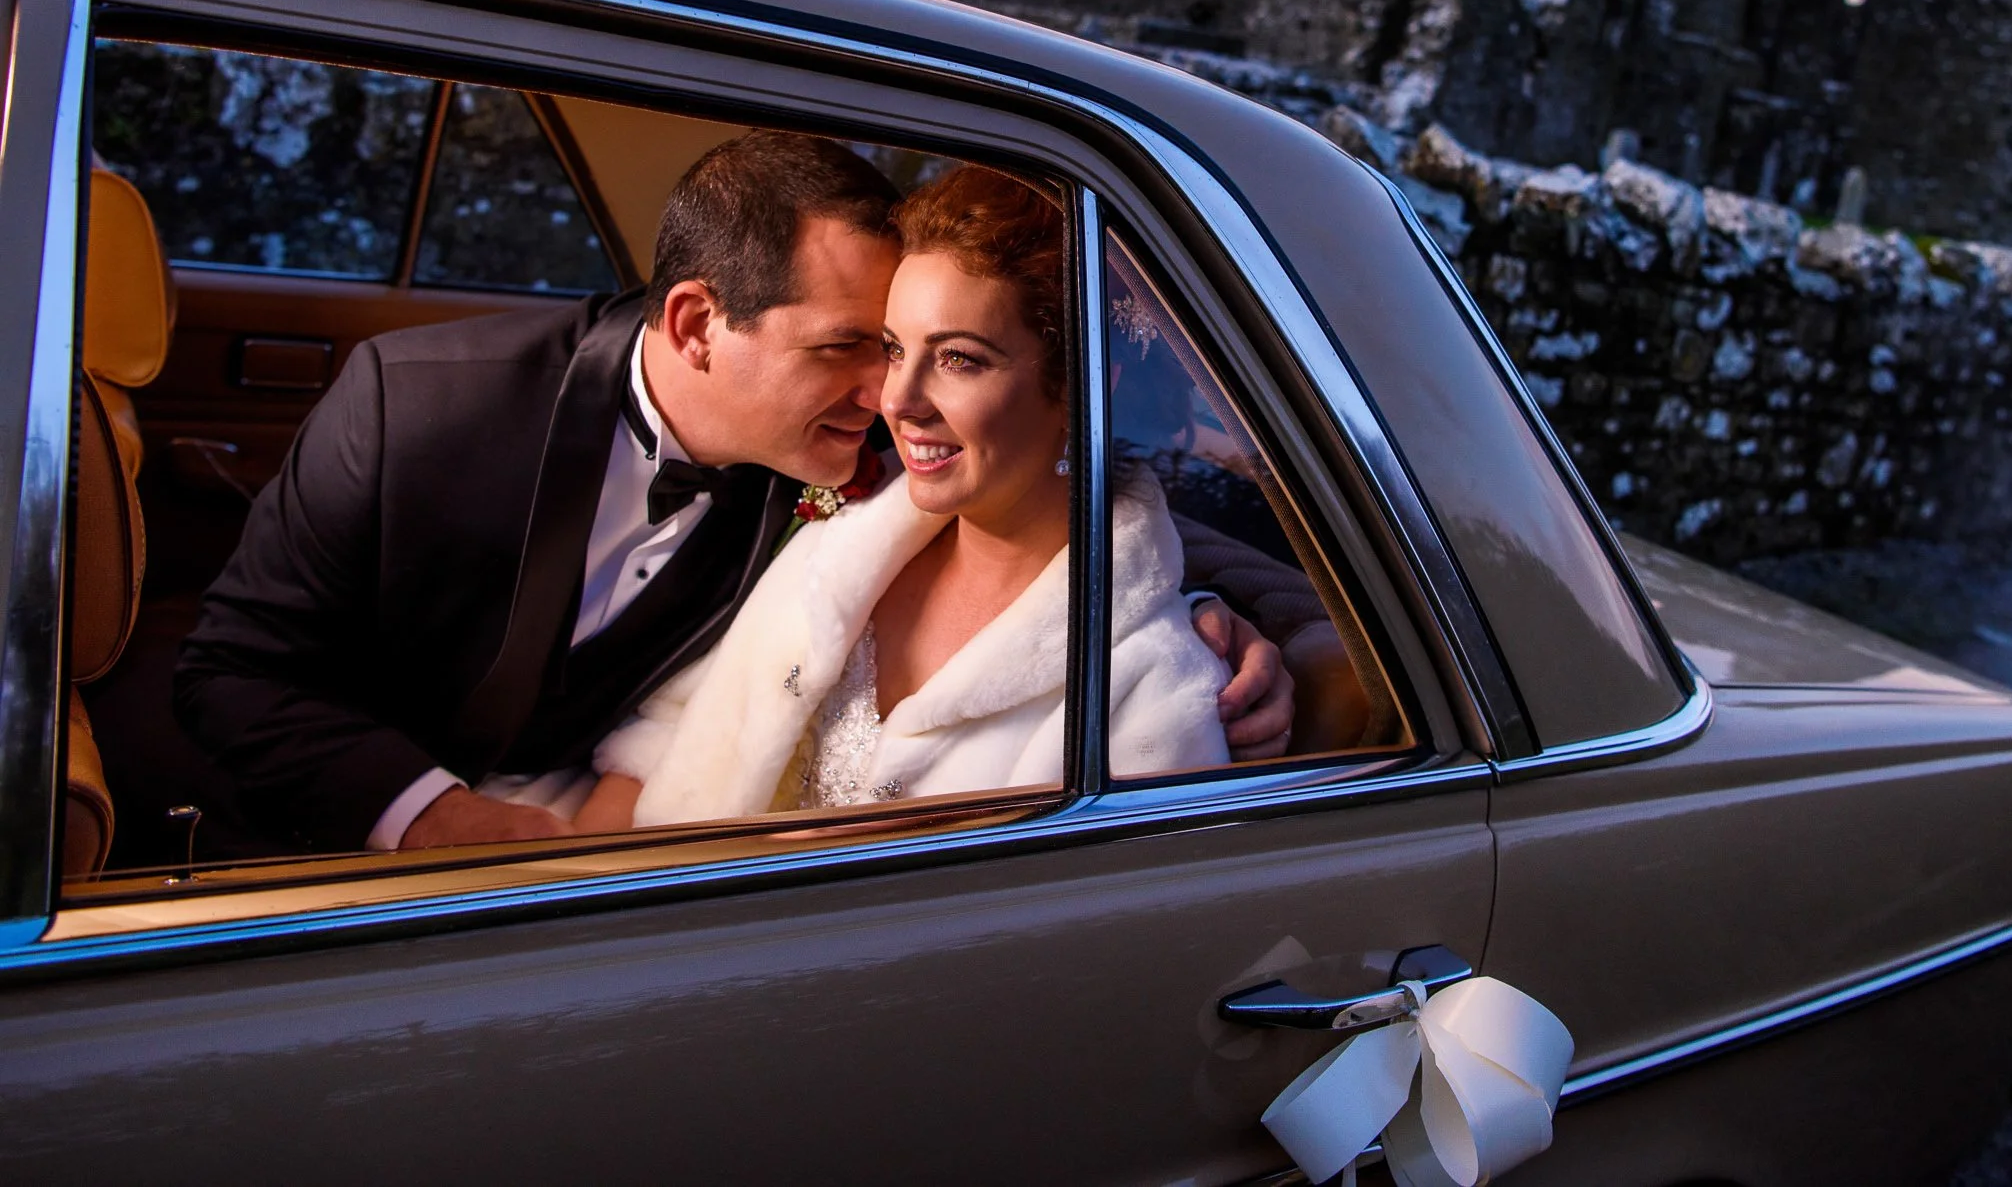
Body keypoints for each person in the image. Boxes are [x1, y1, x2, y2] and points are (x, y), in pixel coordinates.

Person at [174, 132, 1287, 856]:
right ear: (700, 326)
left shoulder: (865, 457)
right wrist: (440, 825)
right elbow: (232, 672)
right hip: (314, 849)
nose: (886, 397)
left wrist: (1271, 635)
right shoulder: (420, 412)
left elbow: (1104, 502)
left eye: (921, 351)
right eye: (856, 347)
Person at [578, 168, 1227, 826]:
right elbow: (673, 733)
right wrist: (575, 877)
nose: (896, 400)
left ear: (1090, 385)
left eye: (959, 359)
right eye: (894, 349)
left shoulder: (1148, 691)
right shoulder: (840, 534)